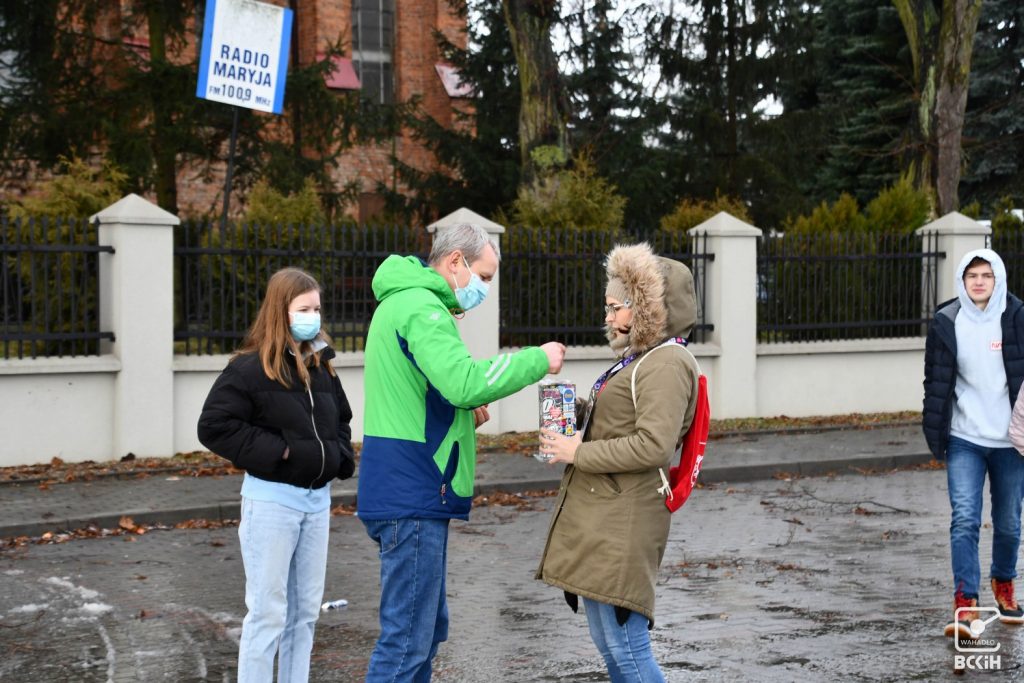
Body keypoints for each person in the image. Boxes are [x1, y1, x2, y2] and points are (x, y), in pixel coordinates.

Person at [357, 223, 566, 682]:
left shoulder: (405, 302)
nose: (484, 289)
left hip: (405, 488)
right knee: (407, 642)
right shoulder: (421, 308)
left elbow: (419, 395)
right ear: (455, 261)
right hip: (411, 492)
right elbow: (463, 382)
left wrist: (461, 416)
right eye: (484, 277)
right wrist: (537, 358)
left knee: (423, 632)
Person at [536, 242, 699, 683]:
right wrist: (580, 414)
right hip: (606, 518)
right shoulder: (640, 359)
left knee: (627, 650)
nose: (608, 316)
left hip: (624, 523)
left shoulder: (665, 363)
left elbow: (653, 445)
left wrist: (578, 452)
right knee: (612, 646)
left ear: (645, 308)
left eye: (615, 307)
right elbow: (625, 424)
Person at [197, 267, 355, 682]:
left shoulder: (322, 364)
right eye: (304, 308)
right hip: (271, 503)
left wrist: (340, 456)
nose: (313, 316)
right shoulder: (249, 369)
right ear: (280, 312)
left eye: (317, 308)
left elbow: (342, 417)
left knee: (304, 615)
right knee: (268, 614)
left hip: (316, 503)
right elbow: (214, 426)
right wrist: (281, 452)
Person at [922, 249, 1024, 639]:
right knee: (964, 518)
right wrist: (935, 427)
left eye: (986, 275)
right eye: (972, 276)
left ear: (998, 278)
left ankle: (1004, 583)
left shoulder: (1016, 318)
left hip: (1010, 442)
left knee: (1009, 523)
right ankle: (966, 601)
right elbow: (934, 379)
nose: (979, 282)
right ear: (963, 282)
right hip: (964, 438)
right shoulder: (947, 321)